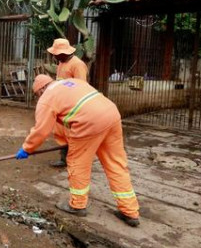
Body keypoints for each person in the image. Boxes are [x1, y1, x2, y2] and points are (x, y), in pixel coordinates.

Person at [15, 74, 140, 227]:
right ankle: (130, 211)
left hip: (89, 122)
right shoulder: (70, 82)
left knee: (78, 163)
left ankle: (77, 205)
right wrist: (66, 141)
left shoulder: (47, 98)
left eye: (37, 95)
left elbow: (41, 130)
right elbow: (65, 119)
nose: (38, 98)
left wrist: (27, 148)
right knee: (116, 164)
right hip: (111, 114)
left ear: (41, 89)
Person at [47, 38, 89, 168]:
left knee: (72, 134)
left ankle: (74, 159)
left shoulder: (77, 64)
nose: (54, 56)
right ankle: (64, 158)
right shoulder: (61, 62)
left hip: (73, 105)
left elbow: (81, 86)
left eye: (56, 54)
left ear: (63, 53)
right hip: (62, 104)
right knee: (61, 132)